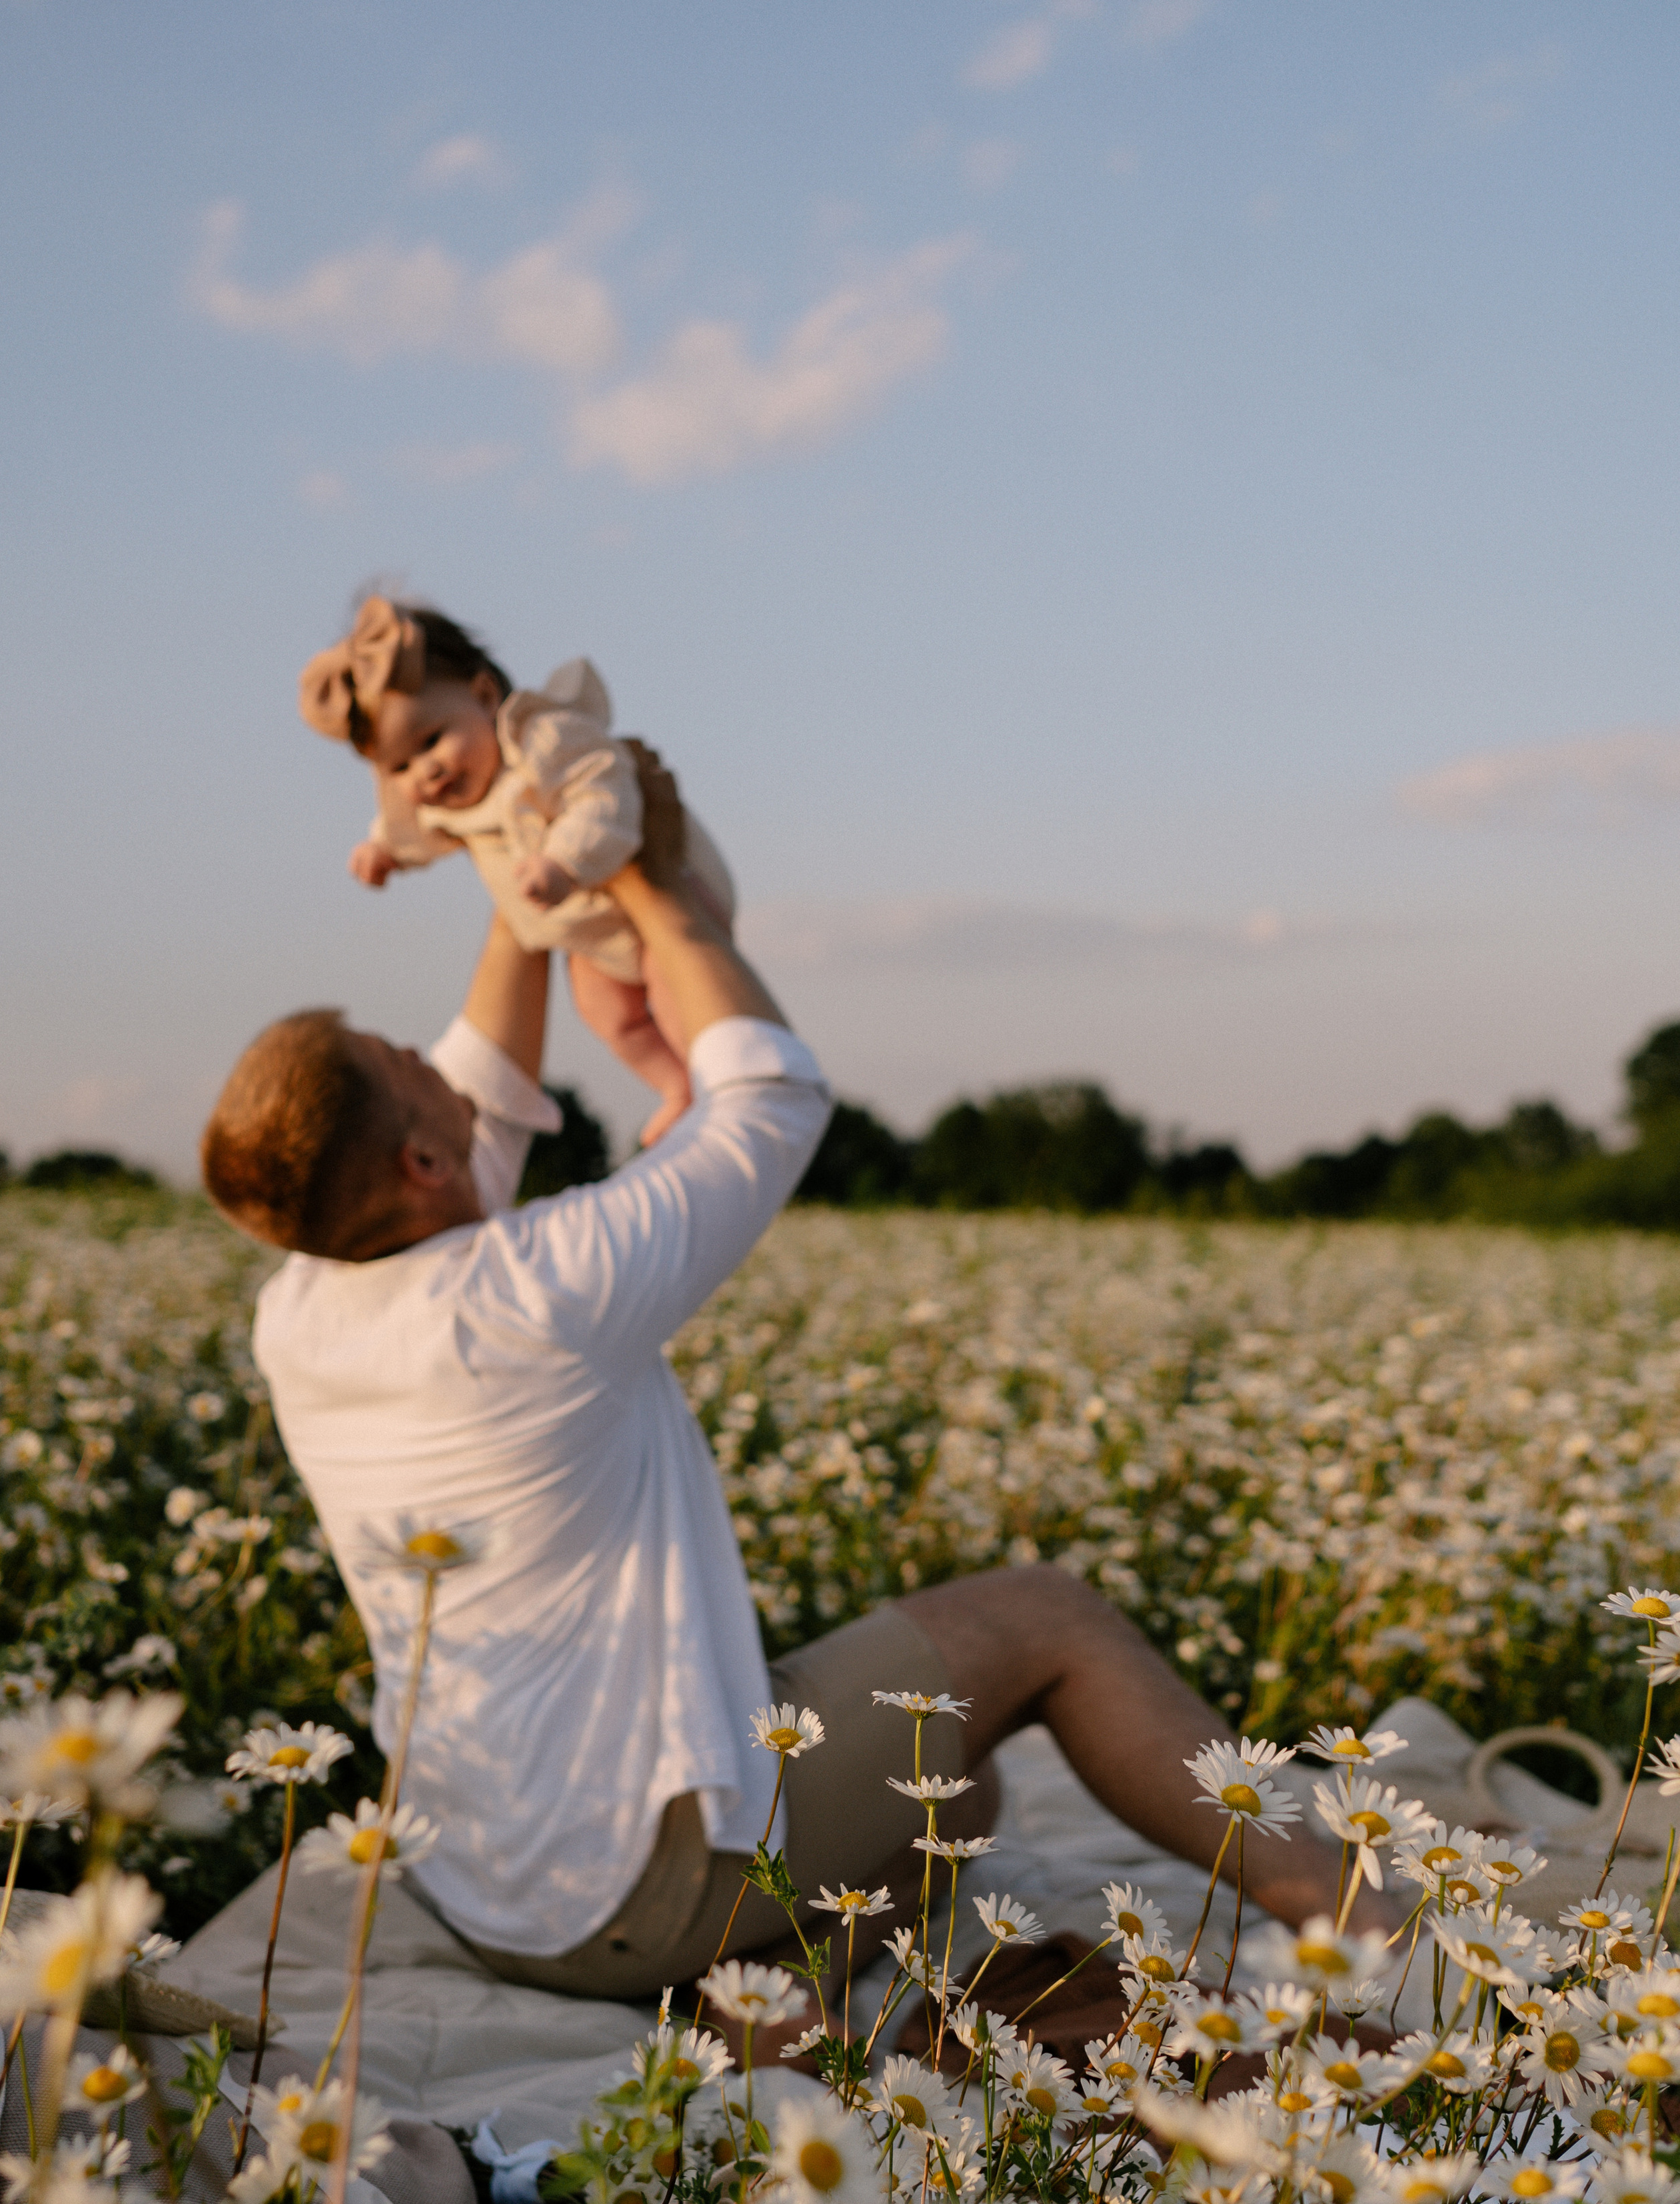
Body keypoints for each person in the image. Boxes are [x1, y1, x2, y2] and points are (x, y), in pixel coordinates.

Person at [201, 754, 1395, 2064]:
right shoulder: (541, 1291)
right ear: (421, 1163)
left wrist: (524, 834)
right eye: (395, 1054)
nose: (431, 1052)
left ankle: (769, 1990)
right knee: (1049, 1624)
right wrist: (652, 875)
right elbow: (770, 1091)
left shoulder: (302, 1311)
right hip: (645, 1879)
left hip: (492, 1894)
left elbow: (470, 1093)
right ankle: (1363, 1919)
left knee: (962, 1788)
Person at [298, 594, 734, 1146]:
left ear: (484, 696)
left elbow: (605, 792)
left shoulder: (542, 743)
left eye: (432, 741)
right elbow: (414, 828)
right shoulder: (446, 803)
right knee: (609, 1016)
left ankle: (717, 1092)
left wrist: (565, 861)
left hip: (656, 913)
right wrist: (384, 852)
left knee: (679, 1003)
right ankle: (678, 1089)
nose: (425, 773)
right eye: (400, 766)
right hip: (592, 938)